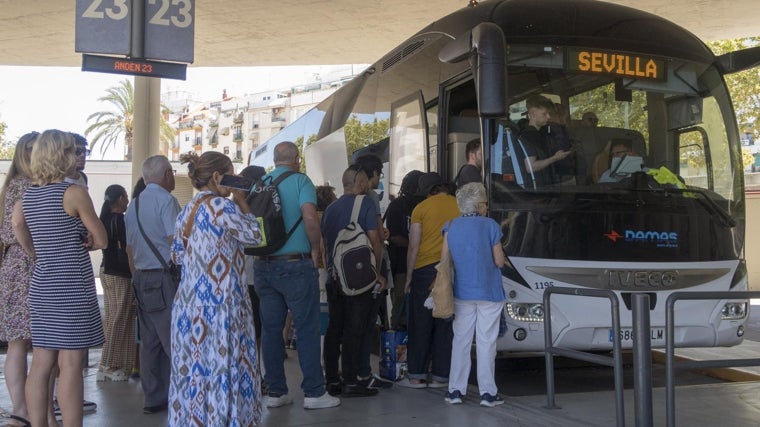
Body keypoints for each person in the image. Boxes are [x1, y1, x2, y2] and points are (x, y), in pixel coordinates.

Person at [12, 129, 107, 427]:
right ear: (61, 155)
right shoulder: (74, 192)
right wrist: (88, 240)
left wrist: (35, 252)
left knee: (41, 363)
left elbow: (18, 225)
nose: (78, 156)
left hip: (42, 283)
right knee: (71, 364)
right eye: (73, 151)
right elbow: (102, 238)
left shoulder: (28, 196)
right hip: (71, 284)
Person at [168, 151, 265, 426]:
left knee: (195, 374)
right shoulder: (223, 207)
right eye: (231, 174)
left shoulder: (185, 211)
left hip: (189, 309)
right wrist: (243, 201)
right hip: (222, 307)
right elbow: (255, 237)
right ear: (216, 177)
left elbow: (176, 255)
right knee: (225, 371)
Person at [253, 141, 340, 410]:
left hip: (263, 265)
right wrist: (316, 249)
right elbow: (310, 219)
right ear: (297, 159)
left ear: (275, 159)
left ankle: (276, 391)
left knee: (270, 330)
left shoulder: (260, 182)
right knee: (306, 328)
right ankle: (314, 392)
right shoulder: (302, 181)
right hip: (295, 266)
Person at [322, 165, 386, 398]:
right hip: (358, 279)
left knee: (334, 328)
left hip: (334, 277)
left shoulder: (330, 209)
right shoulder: (365, 203)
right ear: (360, 182)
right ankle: (350, 380)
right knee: (354, 329)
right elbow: (375, 240)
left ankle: (332, 379)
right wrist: (377, 273)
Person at [124, 155, 181, 415]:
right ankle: (181, 395)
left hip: (141, 277)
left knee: (149, 342)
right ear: (167, 174)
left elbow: (129, 248)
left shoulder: (133, 205)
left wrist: (136, 274)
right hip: (163, 277)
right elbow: (175, 242)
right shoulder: (166, 201)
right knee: (173, 339)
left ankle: (154, 397)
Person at [442, 183, 506, 407]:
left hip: (462, 292)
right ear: (479, 205)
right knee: (486, 342)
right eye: (486, 203)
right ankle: (488, 394)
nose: (487, 207)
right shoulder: (490, 225)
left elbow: (444, 262)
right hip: (489, 292)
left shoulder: (450, 226)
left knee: (460, 341)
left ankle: (455, 391)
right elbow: (499, 261)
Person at [399, 172, 459, 388]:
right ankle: (441, 377)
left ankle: (417, 375)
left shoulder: (421, 209)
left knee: (420, 323)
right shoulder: (459, 205)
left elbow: (414, 246)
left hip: (424, 269)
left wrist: (409, 276)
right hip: (452, 269)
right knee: (446, 322)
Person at [0, 132, 38, 427]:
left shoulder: (10, 185)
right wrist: (34, 253)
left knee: (17, 343)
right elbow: (18, 224)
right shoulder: (26, 186)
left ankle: (21, 409)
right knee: (33, 343)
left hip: (12, 265)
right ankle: (26, 408)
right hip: (24, 266)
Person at [352, 154, 394, 390]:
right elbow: (376, 236)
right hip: (370, 265)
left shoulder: (345, 200)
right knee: (369, 320)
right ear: (372, 174)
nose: (380, 178)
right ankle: (364, 372)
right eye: (379, 173)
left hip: (351, 268)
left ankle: (354, 371)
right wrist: (378, 272)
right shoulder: (370, 198)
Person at [97, 184, 136, 382]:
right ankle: (109, 364)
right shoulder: (120, 220)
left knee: (114, 317)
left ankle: (116, 364)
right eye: (126, 197)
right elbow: (128, 250)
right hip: (121, 273)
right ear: (120, 199)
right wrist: (134, 272)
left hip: (106, 270)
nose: (128, 200)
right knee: (121, 318)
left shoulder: (103, 219)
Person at [385, 170, 424, 329]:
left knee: (405, 306)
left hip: (410, 265)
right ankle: (398, 344)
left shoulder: (415, 205)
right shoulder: (398, 205)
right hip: (402, 265)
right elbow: (393, 237)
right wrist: (417, 245)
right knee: (401, 305)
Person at [520, 95, 572, 186]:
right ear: (533, 113)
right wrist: (555, 158)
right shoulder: (529, 135)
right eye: (544, 114)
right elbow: (531, 167)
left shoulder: (541, 132)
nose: (548, 117)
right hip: (539, 188)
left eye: (548, 113)